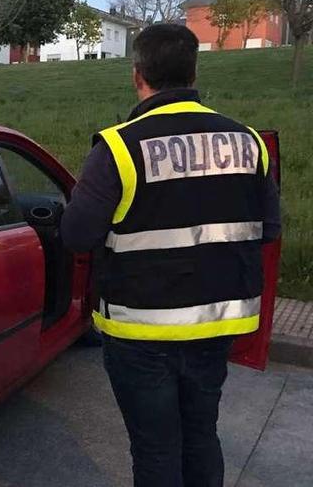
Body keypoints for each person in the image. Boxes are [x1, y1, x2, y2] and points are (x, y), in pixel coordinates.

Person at [61, 24, 280, 487]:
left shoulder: (119, 147)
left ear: (137, 74)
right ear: (194, 71)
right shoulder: (249, 142)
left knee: (156, 448)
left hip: (140, 330)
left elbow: (77, 235)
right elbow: (268, 232)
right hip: (217, 325)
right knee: (202, 435)